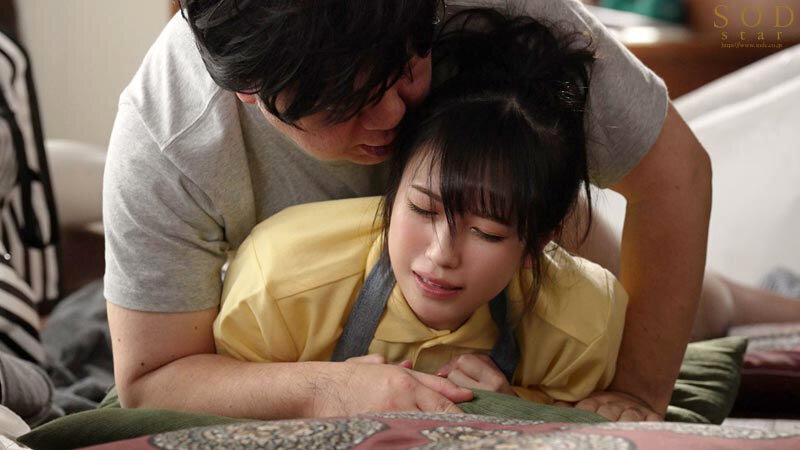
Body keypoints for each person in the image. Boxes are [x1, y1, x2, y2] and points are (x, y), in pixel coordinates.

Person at [104, 0, 710, 421]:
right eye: (349, 104)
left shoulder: (503, 12)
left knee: (702, 310)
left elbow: (675, 180)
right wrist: (324, 389)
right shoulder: (169, 136)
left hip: (530, 236)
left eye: (408, 70)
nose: (395, 114)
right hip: (309, 329)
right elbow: (151, 379)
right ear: (249, 92)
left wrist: (637, 392)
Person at [214, 10, 634, 416]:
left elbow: (578, 412)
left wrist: (514, 404)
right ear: (392, 190)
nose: (441, 255)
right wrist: (324, 389)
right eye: (422, 209)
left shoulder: (583, 324)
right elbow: (219, 404)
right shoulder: (278, 282)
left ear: (536, 245)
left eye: (486, 232)